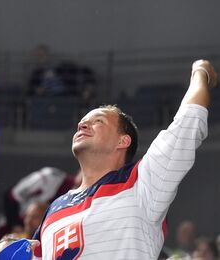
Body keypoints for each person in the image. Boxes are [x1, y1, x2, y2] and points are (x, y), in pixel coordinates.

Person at [30, 59, 217, 259]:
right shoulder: (53, 209)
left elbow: (189, 120)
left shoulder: (143, 183)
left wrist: (200, 71)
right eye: (82, 123)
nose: (82, 126)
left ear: (123, 141)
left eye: (98, 121)